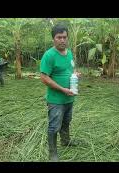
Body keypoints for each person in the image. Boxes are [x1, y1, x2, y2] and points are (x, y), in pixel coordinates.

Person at [40, 23, 80, 162]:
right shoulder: (49, 55)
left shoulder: (69, 52)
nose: (62, 40)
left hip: (69, 97)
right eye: (59, 37)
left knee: (67, 121)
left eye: (64, 37)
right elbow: (44, 78)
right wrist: (63, 89)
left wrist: (75, 74)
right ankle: (53, 152)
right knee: (54, 126)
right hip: (56, 99)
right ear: (53, 39)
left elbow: (70, 69)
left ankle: (65, 141)